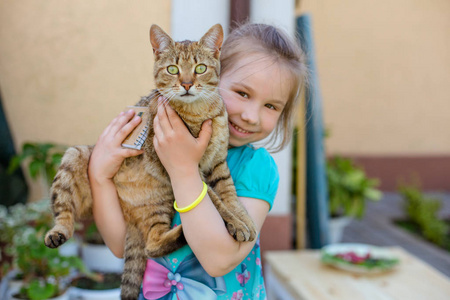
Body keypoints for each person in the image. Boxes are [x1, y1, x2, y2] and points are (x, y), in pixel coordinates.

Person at [88, 23, 307, 300]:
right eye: (242, 93)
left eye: (271, 106)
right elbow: (122, 245)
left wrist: (183, 169)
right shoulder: (160, 146)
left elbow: (218, 260)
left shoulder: (256, 168)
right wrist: (100, 176)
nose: (252, 115)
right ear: (215, 74)